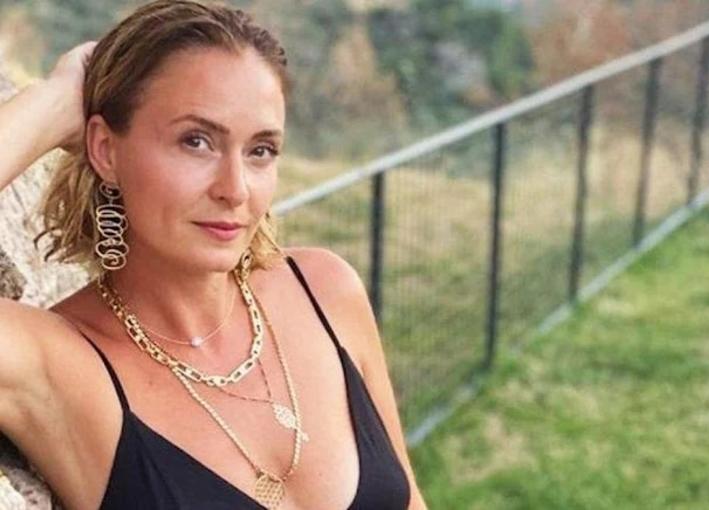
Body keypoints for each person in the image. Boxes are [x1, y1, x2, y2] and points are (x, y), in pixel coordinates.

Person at [0, 1, 428, 508]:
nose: (235, 189)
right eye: (197, 141)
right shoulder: (59, 363)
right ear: (106, 150)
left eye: (260, 150)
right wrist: (52, 103)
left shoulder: (325, 290)